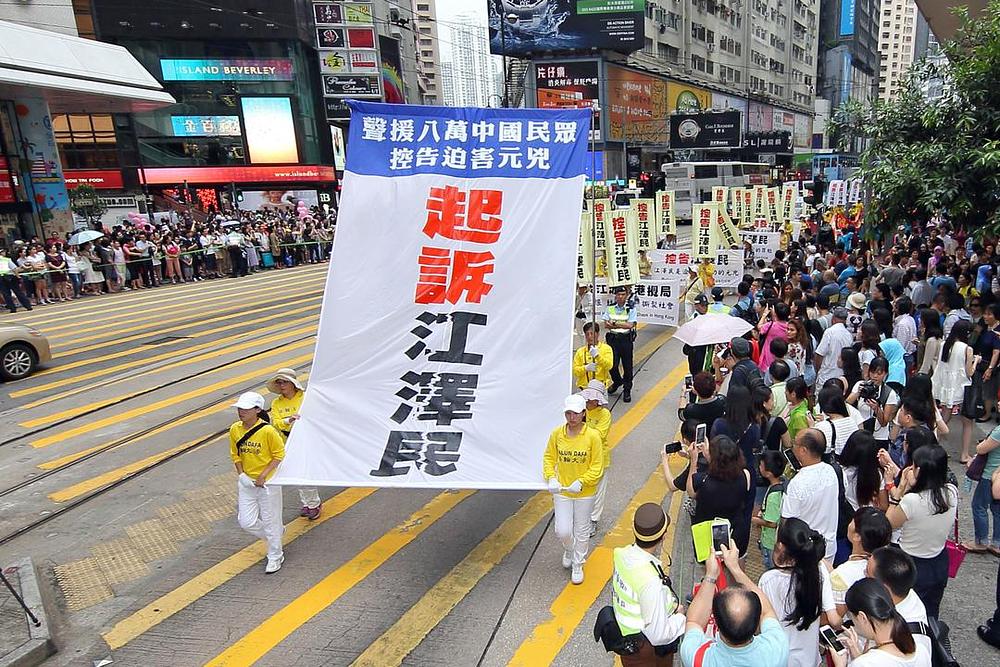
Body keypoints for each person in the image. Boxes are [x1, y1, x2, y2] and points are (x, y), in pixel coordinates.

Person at [679, 540, 790, 667]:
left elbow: (694, 621)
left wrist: (710, 575)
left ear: (717, 625)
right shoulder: (777, 649)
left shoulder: (698, 657)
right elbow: (767, 612)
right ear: (756, 626)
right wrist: (736, 570)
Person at [608, 503, 687, 666]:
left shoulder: (621, 554)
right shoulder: (650, 581)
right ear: (664, 535)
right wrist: (681, 618)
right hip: (646, 650)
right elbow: (658, 635)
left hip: (628, 641)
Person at [886, 444, 958, 619]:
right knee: (930, 612)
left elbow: (888, 523)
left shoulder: (912, 500)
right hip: (939, 560)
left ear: (919, 471)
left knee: (905, 614)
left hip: (911, 563)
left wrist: (900, 488)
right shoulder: (951, 491)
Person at [758, 518, 840, 667]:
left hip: (779, 658)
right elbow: (831, 617)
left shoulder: (769, 580)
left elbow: (762, 619)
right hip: (809, 658)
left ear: (781, 547)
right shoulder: (819, 573)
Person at [543, 394, 604, 585]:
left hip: (584, 493)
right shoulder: (556, 434)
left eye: (576, 413)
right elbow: (548, 458)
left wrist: (582, 481)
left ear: (584, 413)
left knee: (582, 529)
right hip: (563, 490)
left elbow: (597, 466)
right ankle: (569, 549)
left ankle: (578, 563)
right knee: (562, 530)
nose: (572, 417)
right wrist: (551, 477)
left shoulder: (592, 436)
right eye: (568, 413)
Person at [229, 391, 286, 574]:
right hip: (247, 483)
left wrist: (263, 475)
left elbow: (279, 455)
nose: (241, 412)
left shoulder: (268, 431)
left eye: (246, 408)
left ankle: (275, 556)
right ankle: (276, 534)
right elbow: (235, 454)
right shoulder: (235, 429)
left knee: (270, 521)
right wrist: (241, 475)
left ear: (257, 409)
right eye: (240, 408)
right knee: (246, 522)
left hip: (268, 484)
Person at [830, 578, 930, 667]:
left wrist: (841, 664)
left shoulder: (865, 663)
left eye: (853, 619)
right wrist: (858, 655)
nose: (854, 625)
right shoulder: (921, 650)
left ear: (862, 617)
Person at [265, 368, 321, 520]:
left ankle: (313, 504)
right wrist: (289, 420)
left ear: (293, 384)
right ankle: (307, 503)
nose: (282, 385)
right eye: (279, 382)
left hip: (305, 439)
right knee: (296, 472)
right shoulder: (276, 403)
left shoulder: (306, 398)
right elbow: (276, 423)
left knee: (304, 472)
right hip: (286, 441)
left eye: (285, 382)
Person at [686, 435, 752, 557]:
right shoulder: (745, 475)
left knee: (710, 567)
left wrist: (694, 459)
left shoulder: (702, 481)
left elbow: (690, 491)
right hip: (735, 531)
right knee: (735, 563)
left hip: (708, 534)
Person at [782, 428, 840, 561]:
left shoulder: (797, 483)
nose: (792, 446)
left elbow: (787, 521)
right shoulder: (831, 471)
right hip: (829, 546)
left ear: (803, 450)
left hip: (803, 549)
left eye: (795, 443)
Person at [867, 546, 933, 659]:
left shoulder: (901, 640)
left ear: (884, 588)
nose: (864, 575)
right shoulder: (905, 592)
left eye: (867, 573)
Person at [930, 319, 978, 462]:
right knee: (968, 422)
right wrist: (976, 361)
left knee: (943, 419)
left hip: (945, 387)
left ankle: (932, 446)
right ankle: (964, 454)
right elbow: (969, 372)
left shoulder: (945, 344)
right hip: (961, 389)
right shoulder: (967, 349)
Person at [831, 507, 893, 615]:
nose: (849, 524)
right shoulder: (889, 564)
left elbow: (836, 618)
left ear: (857, 536)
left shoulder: (841, 575)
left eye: (852, 521)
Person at [848, 358, 900, 449]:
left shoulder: (889, 393)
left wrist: (876, 408)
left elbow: (884, 422)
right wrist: (858, 393)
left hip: (879, 437)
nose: (875, 376)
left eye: (879, 373)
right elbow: (846, 404)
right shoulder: (860, 385)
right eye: (872, 372)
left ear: (886, 373)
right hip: (860, 433)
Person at [581, 380, 612, 533]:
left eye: (591, 398)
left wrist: (582, 432)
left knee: (598, 491)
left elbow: (600, 435)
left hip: (600, 458)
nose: (588, 401)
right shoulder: (581, 411)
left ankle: (593, 519)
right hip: (582, 457)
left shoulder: (604, 414)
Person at [965, 423, 1000, 555]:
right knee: (997, 510)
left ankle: (981, 542)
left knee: (979, 506)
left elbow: (981, 449)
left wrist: (981, 444)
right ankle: (997, 543)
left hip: (990, 474)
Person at [753, 450, 786, 570]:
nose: (759, 467)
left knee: (770, 567)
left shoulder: (773, 496)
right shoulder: (781, 484)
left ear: (768, 473)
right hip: (773, 540)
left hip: (770, 542)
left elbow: (772, 522)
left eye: (761, 465)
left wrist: (755, 520)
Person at [840, 430, 889, 511]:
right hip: (867, 518)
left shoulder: (841, 472)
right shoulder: (876, 474)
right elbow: (884, 505)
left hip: (847, 517)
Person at [604, 286, 637, 402]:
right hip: (613, 339)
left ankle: (627, 389)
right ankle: (617, 381)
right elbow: (606, 324)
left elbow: (630, 325)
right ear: (615, 295)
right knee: (612, 365)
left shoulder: (631, 308)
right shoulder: (611, 308)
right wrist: (619, 324)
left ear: (626, 295)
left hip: (626, 340)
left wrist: (615, 323)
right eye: (618, 294)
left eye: (623, 294)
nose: (620, 297)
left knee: (627, 366)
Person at [814, 384, 861, 457]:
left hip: (832, 466)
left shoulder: (822, 426)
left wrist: (812, 426)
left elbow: (813, 448)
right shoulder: (851, 421)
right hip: (849, 463)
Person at [815, 307, 855, 388]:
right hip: (841, 377)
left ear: (833, 318)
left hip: (826, 375)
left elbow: (819, 354)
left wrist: (818, 370)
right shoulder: (848, 335)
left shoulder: (829, 332)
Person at [573, 321, 614, 390]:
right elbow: (575, 371)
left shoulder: (606, 348)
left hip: (600, 389)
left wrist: (598, 356)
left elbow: (609, 366)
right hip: (583, 389)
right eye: (587, 334)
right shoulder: (580, 352)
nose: (590, 337)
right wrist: (585, 368)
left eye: (592, 334)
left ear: (598, 334)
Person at [0, 248, 32, 313]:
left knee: (6, 294)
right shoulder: (6, 259)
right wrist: (18, 276)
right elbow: (14, 269)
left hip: (1, 278)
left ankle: (12, 308)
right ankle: (28, 306)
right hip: (10, 276)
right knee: (18, 291)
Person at [784, 377, 810, 442]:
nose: (785, 392)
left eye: (786, 390)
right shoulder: (805, 402)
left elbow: (801, 439)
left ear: (793, 394)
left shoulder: (798, 416)